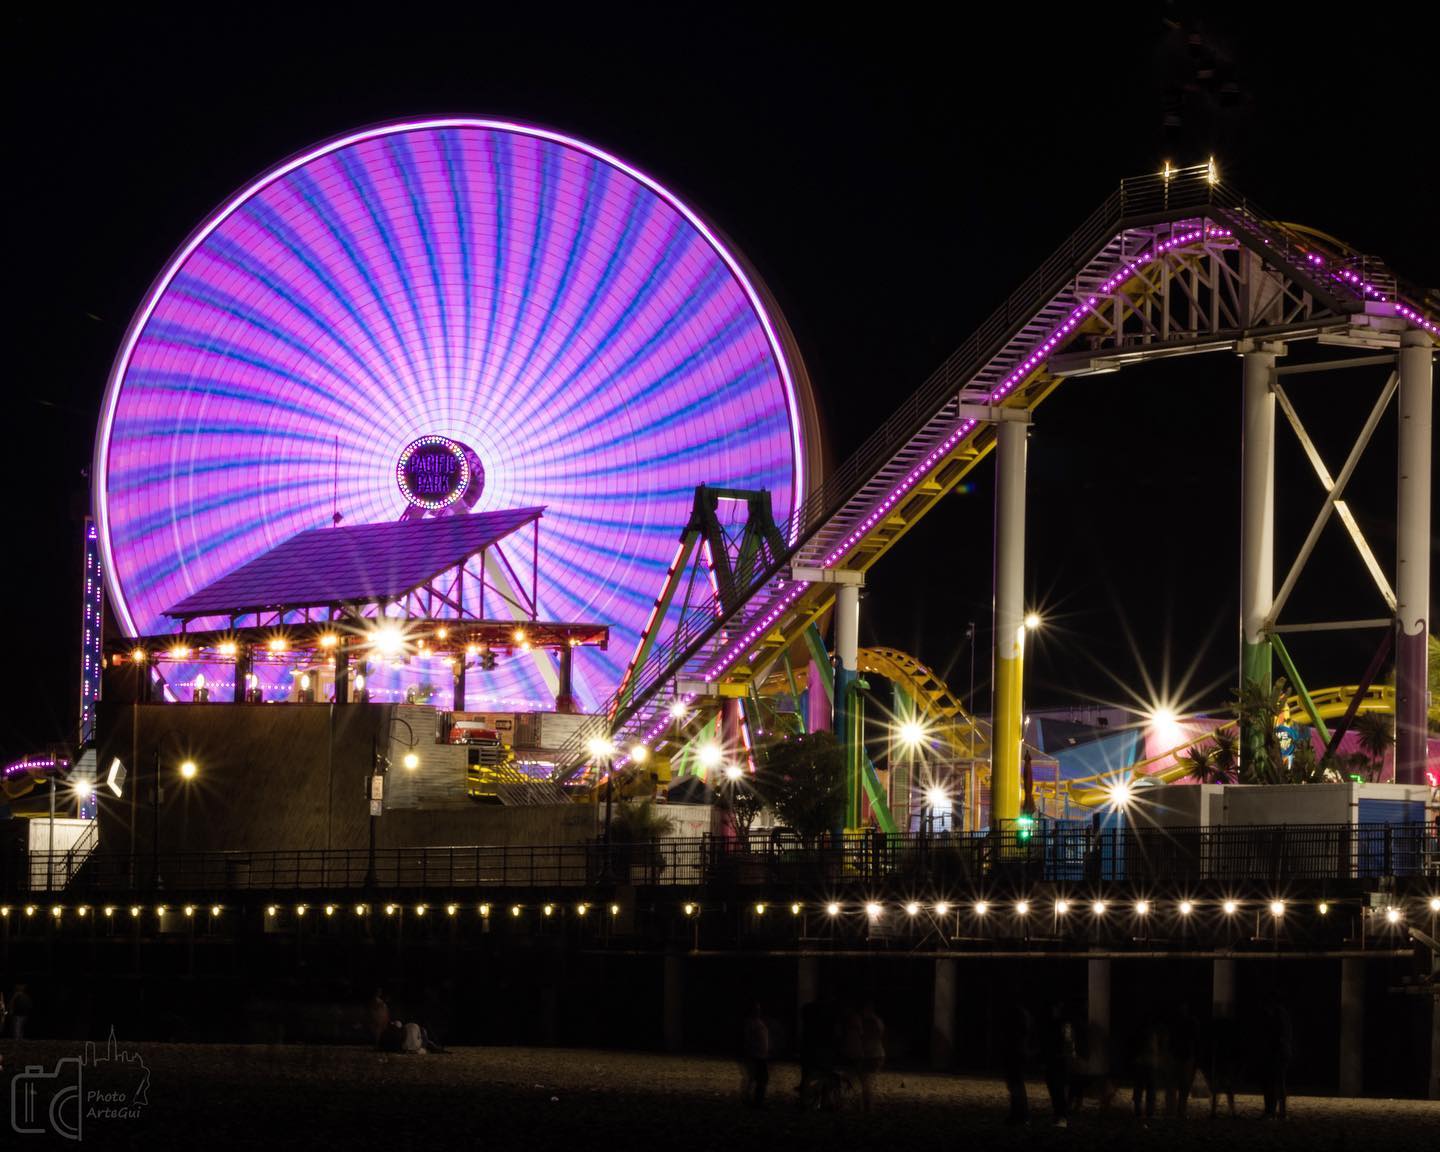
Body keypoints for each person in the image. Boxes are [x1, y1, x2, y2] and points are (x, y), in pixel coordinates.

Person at [1042, 1001, 1076, 1127]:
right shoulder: (1055, 1024)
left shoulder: (1063, 1025)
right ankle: (1059, 1115)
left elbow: (1067, 1044)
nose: (1054, 1010)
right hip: (1055, 1060)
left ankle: (1061, 1116)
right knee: (1055, 1089)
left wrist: (1067, 1058)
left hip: (1059, 1061)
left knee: (1058, 1090)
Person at [1000, 1001, 1033, 1125]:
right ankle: (1019, 1114)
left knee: (1015, 1084)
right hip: (1019, 1051)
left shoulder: (1017, 1015)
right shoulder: (1024, 1015)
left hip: (1015, 1051)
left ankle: (1021, 1114)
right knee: (1016, 1084)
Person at [1260, 999, 1292, 1120]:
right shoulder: (1283, 1015)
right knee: (1279, 1082)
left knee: (1272, 1083)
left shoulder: (1277, 1016)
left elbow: (1277, 1037)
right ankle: (1281, 1112)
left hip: (1277, 1053)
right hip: (1283, 1052)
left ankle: (1271, 1111)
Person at [1130, 1013, 1161, 1126]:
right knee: (1150, 1088)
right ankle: (1149, 1111)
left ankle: (1139, 1110)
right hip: (1150, 1063)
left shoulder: (1139, 1032)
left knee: (1139, 1087)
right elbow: (1153, 1049)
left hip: (1141, 1063)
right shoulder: (1152, 1033)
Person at [1170, 1002, 1199, 1118]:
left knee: (1181, 1084)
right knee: (1184, 1084)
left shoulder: (1178, 1023)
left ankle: (1178, 1109)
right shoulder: (1191, 1022)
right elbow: (1196, 1039)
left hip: (1182, 1055)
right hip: (1184, 1055)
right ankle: (1180, 1110)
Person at [1209, 1013, 1238, 1119]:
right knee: (1227, 1087)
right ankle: (1232, 1111)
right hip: (1226, 1061)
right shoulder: (1229, 1038)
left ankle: (1214, 1111)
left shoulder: (1218, 1039)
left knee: (1218, 1088)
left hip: (1221, 1061)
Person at [858, 1001, 885, 1113]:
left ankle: (868, 1107)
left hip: (870, 1054)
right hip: (877, 1054)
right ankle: (868, 1106)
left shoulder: (867, 1021)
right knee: (869, 1082)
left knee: (866, 1082)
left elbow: (863, 1037)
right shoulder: (878, 1021)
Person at [742, 1002, 770, 1108]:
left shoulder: (758, 1022)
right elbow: (747, 1039)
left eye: (759, 1009)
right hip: (756, 1055)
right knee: (759, 1078)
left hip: (760, 1054)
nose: (758, 1011)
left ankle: (755, 1099)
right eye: (756, 1009)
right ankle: (755, 1100)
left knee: (759, 1078)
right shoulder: (751, 1022)